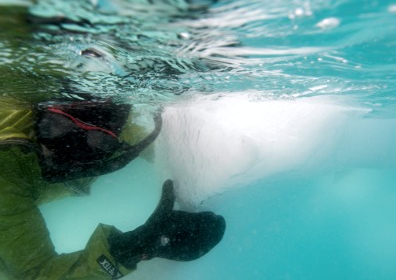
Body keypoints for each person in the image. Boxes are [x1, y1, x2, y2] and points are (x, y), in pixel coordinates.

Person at [0, 97, 226, 280]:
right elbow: (33, 274)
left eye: (97, 142)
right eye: (56, 127)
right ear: (38, 114)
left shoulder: (116, 125)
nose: (68, 151)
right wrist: (129, 251)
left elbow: (153, 147)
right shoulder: (5, 172)